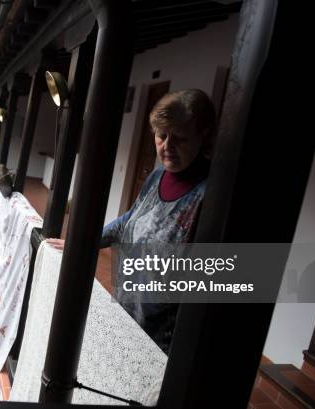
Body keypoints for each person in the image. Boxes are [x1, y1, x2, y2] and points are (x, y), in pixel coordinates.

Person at [47, 89, 216, 353]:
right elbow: (128, 221)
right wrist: (81, 244)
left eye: (180, 138)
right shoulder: (156, 178)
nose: (167, 146)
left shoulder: (209, 196)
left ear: (203, 137)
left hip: (162, 341)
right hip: (126, 316)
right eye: (161, 136)